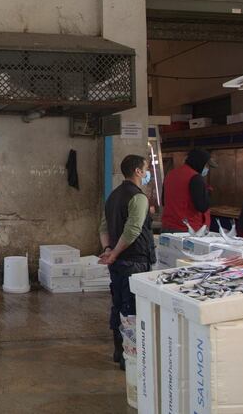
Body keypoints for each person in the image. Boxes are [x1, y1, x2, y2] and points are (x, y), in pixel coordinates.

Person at [98, 155, 155, 370]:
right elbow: (132, 230)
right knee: (131, 309)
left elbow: (103, 227)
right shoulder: (138, 198)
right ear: (138, 172)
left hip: (118, 262)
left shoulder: (113, 196)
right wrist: (114, 253)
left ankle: (118, 351)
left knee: (118, 304)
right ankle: (128, 358)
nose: (148, 172)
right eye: (146, 169)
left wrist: (108, 250)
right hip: (135, 260)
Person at [161, 149, 213, 233]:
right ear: (200, 163)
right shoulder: (195, 178)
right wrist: (207, 193)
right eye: (206, 165)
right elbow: (202, 206)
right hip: (188, 230)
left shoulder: (170, 174)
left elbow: (164, 201)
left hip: (167, 226)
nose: (207, 169)